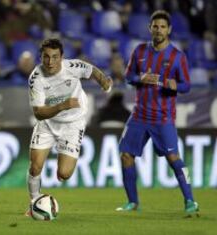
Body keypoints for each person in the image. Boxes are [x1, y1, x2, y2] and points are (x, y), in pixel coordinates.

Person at [116, 10, 199, 216]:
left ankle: (190, 201)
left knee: (173, 158)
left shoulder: (177, 57)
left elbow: (187, 85)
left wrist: (175, 85)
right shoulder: (140, 51)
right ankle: (133, 203)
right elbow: (128, 76)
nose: (159, 30)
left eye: (163, 27)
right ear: (150, 28)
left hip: (163, 117)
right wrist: (140, 77)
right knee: (126, 155)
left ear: (169, 29)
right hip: (139, 115)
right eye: (155, 26)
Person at [25, 38, 113, 215]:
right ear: (41, 57)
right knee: (35, 167)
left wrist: (104, 81)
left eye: (55, 57)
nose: (50, 62)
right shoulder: (36, 78)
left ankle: (63, 161)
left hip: (74, 122)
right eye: (46, 57)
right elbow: (38, 113)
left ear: (62, 57)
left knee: (64, 174)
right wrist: (61, 106)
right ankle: (34, 202)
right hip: (47, 123)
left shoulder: (73, 67)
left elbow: (92, 71)